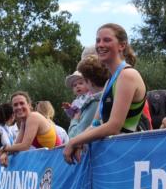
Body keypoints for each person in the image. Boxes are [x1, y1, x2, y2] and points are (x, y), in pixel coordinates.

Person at [63, 23, 148, 165]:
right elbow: (95, 123)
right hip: (113, 156)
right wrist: (78, 141)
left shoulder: (127, 75)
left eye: (107, 40)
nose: (100, 45)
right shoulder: (110, 81)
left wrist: (75, 141)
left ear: (122, 45)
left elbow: (114, 126)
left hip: (128, 157)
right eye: (98, 40)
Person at [0, 91, 62, 166]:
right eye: (15, 105)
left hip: (58, 160)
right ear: (12, 108)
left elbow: (25, 146)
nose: (19, 107)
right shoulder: (24, 121)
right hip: (52, 160)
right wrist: (5, 153)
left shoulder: (33, 117)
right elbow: (17, 145)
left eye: (22, 103)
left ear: (29, 105)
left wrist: (4, 149)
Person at [68, 56, 111, 138]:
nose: (77, 86)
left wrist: (74, 119)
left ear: (89, 81)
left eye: (82, 81)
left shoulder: (95, 103)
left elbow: (74, 137)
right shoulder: (112, 95)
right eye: (74, 85)